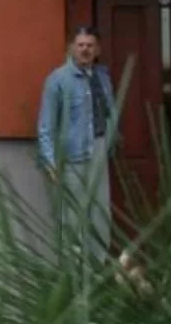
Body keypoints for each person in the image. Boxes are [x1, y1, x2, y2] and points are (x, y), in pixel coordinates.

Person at [37, 23, 118, 242]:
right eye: (80, 45)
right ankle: (74, 273)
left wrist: (111, 143)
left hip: (99, 151)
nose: (85, 50)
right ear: (72, 48)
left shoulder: (102, 77)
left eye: (90, 45)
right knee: (73, 218)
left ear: (97, 49)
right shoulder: (58, 79)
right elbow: (46, 124)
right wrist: (50, 162)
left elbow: (111, 113)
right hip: (72, 157)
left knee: (100, 217)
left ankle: (97, 273)